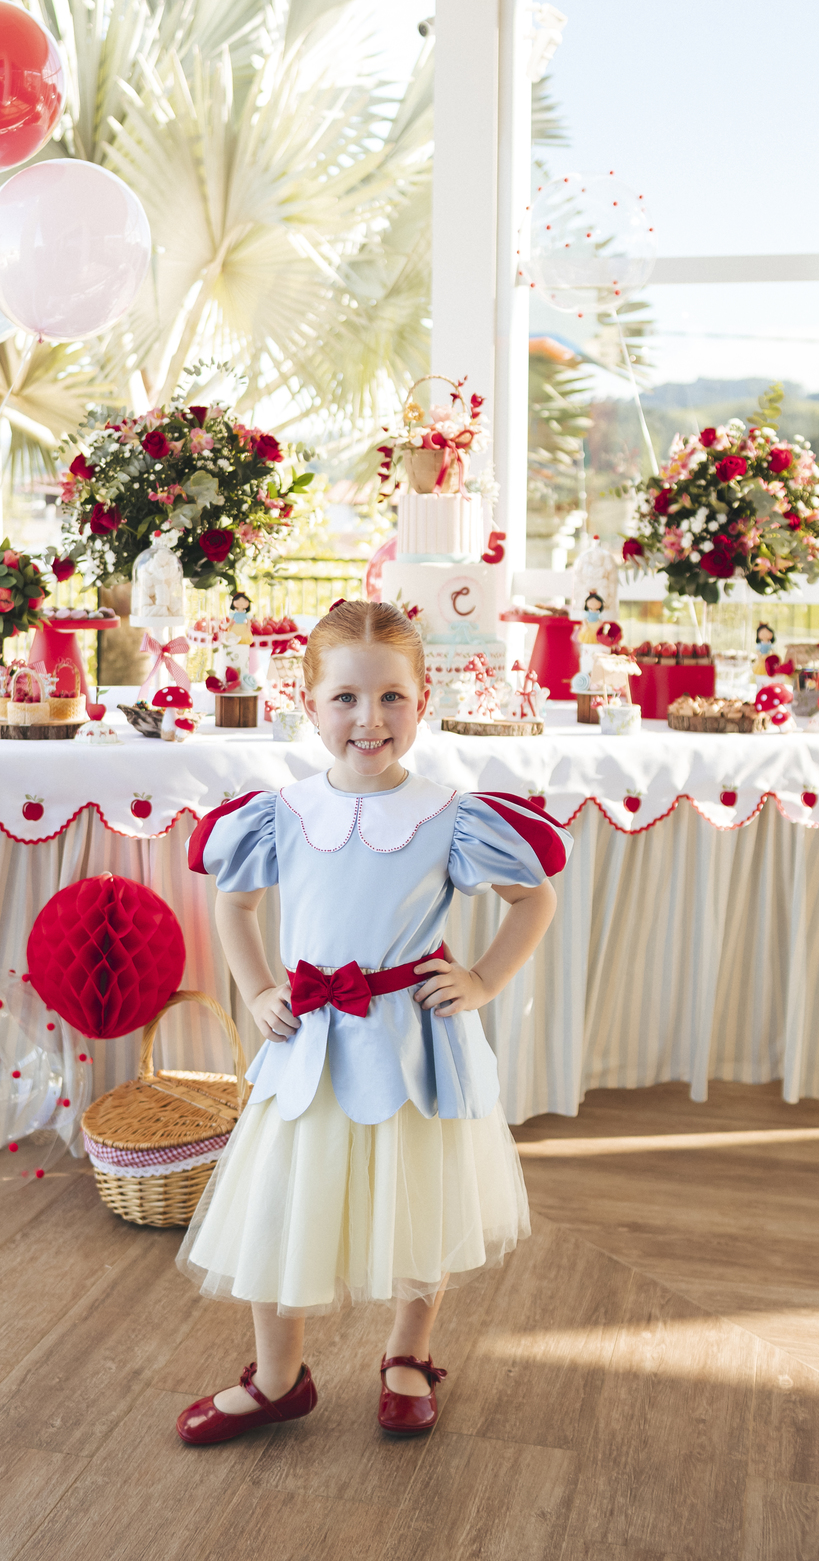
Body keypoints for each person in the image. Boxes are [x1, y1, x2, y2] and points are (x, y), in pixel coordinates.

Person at [176, 599, 568, 1444]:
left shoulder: (450, 814)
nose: (370, 719)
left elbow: (534, 898)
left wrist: (483, 980)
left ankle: (407, 1354)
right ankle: (277, 1378)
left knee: (419, 1197)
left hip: (412, 1044)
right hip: (309, 1042)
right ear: (308, 704)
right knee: (282, 1205)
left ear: (424, 700)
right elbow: (235, 905)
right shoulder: (281, 813)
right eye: (346, 698)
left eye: (392, 697)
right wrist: (258, 989)